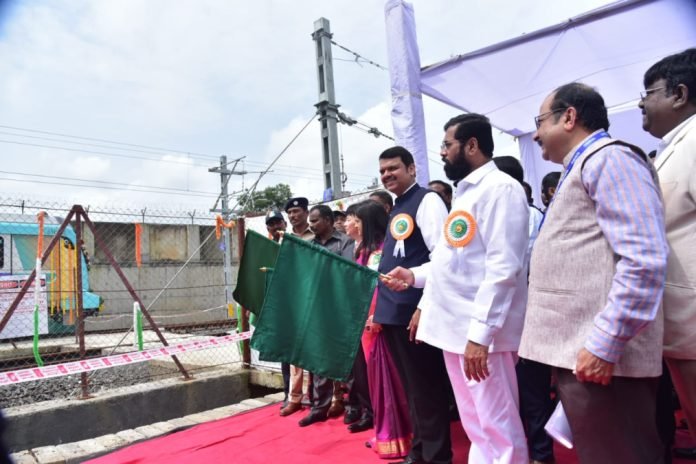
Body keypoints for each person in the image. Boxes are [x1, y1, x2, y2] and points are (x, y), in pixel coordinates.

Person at [519, 82, 668, 464]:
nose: (535, 133)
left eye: (540, 121)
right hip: (585, 353)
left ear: (569, 117)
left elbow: (643, 259)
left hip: (601, 356)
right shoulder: (587, 165)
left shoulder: (610, 159)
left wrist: (606, 343)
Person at [387, 115, 530, 463]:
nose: (442, 153)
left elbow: (503, 267)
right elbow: (453, 262)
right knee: (475, 423)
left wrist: (480, 336)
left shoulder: (501, 189)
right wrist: (414, 276)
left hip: (480, 335)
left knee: (498, 422)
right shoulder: (467, 193)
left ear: (471, 145)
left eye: (447, 145)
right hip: (454, 331)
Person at [373, 146, 452, 464]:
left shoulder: (427, 200)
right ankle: (420, 452)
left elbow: (443, 259)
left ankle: (436, 457)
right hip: (394, 313)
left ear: (412, 169)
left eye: (393, 168)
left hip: (415, 312)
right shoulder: (398, 206)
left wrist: (425, 307)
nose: (387, 175)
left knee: (427, 389)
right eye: (382, 171)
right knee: (413, 390)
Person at [640, 48, 696, 461]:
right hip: (681, 325)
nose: (642, 102)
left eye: (648, 92)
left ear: (679, 94)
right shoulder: (674, 148)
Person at [492, 157, 554, 464]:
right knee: (509, 394)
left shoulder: (532, 216)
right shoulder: (498, 216)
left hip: (530, 318)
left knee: (532, 391)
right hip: (503, 319)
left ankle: (541, 454)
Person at [298, 204, 355, 427]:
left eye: (315, 220)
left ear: (329, 221)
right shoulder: (308, 246)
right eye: (310, 221)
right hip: (318, 310)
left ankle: (353, 407)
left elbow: (347, 271)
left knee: (346, 362)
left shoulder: (345, 242)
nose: (310, 225)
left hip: (341, 309)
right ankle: (319, 408)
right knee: (319, 361)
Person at [279, 197, 314, 417]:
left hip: (313, 295)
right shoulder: (285, 239)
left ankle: (320, 396)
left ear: (306, 212)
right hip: (293, 299)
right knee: (295, 350)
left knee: (317, 347)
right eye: (290, 212)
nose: (293, 215)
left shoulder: (316, 236)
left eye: (297, 211)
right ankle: (294, 397)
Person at [264, 209, 291, 408]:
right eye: (271, 224)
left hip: (296, 304)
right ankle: (288, 393)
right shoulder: (265, 248)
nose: (275, 227)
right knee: (284, 352)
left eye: (278, 222)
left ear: (285, 223)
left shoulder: (293, 243)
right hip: (279, 308)